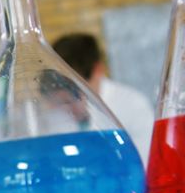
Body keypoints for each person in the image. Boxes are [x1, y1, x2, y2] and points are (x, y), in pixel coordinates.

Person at [52, 33, 154, 165]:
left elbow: (145, 162)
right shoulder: (52, 107)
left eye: (77, 92)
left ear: (97, 69)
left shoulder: (134, 105)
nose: (71, 106)